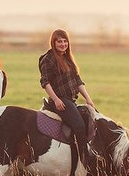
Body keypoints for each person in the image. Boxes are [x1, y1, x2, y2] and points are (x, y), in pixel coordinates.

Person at [38, 29, 97, 168]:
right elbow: (45, 82)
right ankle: (84, 159)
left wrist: (89, 100)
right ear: (53, 42)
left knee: (93, 118)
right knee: (79, 125)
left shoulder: (67, 58)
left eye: (65, 41)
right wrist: (56, 99)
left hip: (71, 100)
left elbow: (78, 81)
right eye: (59, 41)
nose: (63, 44)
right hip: (60, 100)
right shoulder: (48, 59)